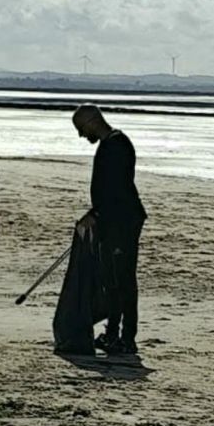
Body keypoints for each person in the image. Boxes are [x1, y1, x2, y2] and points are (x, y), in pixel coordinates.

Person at [71, 104, 147, 356]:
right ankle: (112, 333)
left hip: (122, 221)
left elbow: (116, 188)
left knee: (123, 279)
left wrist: (98, 214)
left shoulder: (116, 145)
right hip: (112, 219)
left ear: (93, 120)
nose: (82, 135)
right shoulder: (111, 144)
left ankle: (127, 337)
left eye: (81, 128)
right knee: (111, 279)